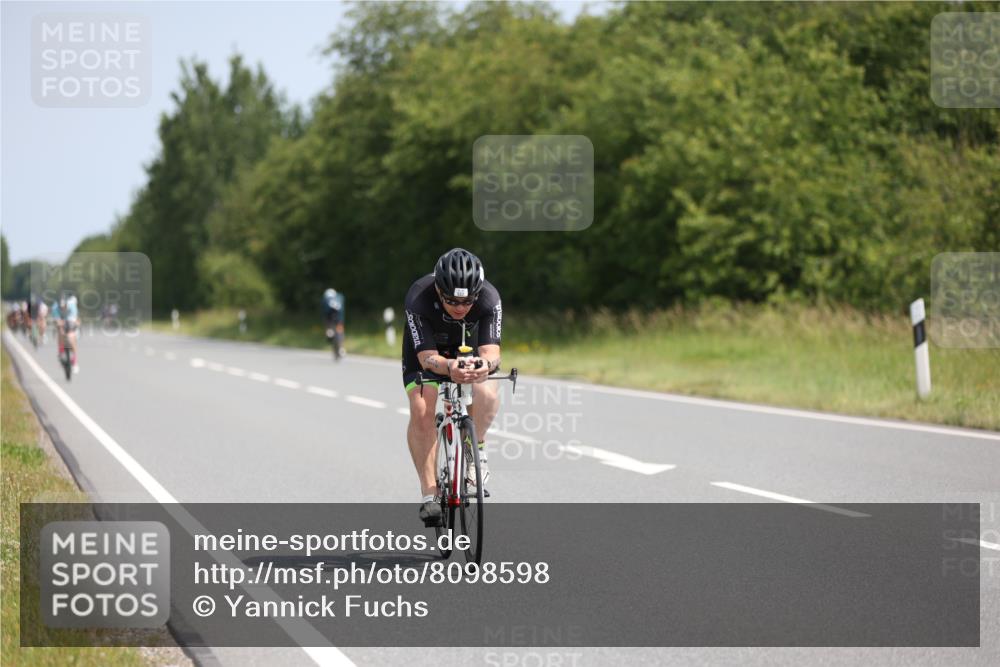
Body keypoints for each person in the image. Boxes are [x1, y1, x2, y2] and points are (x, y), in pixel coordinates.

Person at [402, 248, 503, 526]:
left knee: (487, 391)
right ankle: (430, 494)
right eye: (450, 300)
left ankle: (475, 448)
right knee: (422, 406)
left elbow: (492, 353)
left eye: (468, 301)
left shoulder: (489, 298)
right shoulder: (419, 296)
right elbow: (426, 358)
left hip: (467, 349)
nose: (460, 307)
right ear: (438, 289)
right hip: (428, 352)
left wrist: (484, 366)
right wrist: (448, 367)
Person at [322, 288, 346, 360]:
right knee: (339, 333)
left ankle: (330, 334)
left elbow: (324, 314)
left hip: (331, 320)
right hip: (339, 320)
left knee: (331, 332)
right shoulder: (339, 298)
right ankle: (341, 349)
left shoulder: (326, 300)